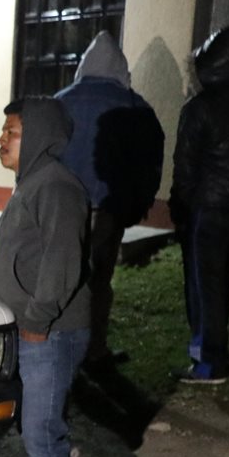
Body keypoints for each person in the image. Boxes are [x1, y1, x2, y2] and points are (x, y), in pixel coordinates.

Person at [0, 97, 91, 457]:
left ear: (41, 135)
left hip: (50, 332)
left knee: (44, 431)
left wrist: (38, 317)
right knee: (35, 428)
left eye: (11, 132)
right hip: (31, 329)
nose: (1, 140)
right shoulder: (32, 183)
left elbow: (61, 262)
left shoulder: (56, 187)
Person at [55, 32, 163, 367]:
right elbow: (149, 160)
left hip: (63, 205)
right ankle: (93, 348)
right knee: (99, 280)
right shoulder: (134, 106)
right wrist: (136, 204)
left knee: (63, 276)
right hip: (108, 208)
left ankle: (58, 344)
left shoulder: (59, 102)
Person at [168, 24, 229, 384]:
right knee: (222, 279)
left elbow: (186, 165)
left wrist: (184, 204)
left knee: (203, 284)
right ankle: (217, 350)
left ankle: (208, 362)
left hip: (209, 211)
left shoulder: (201, 107)